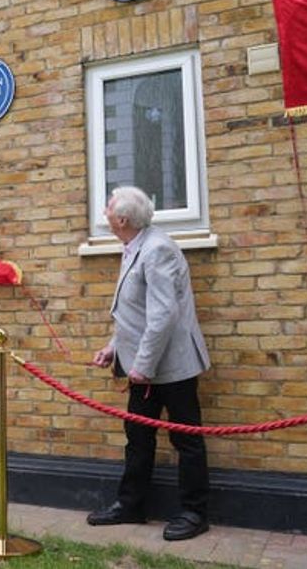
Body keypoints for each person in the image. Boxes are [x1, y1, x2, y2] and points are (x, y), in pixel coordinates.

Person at [87, 186, 211, 541]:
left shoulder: (157, 249)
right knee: (138, 437)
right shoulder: (134, 245)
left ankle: (194, 513)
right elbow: (136, 313)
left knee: (186, 438)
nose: (105, 211)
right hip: (144, 364)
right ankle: (131, 506)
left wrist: (140, 365)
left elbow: (162, 315)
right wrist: (114, 348)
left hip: (172, 365)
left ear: (122, 219)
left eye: (109, 207)